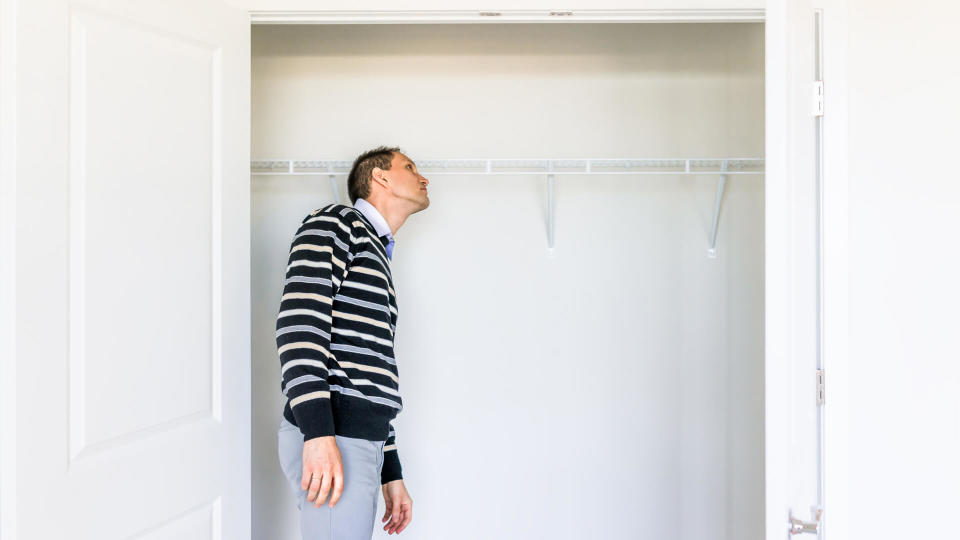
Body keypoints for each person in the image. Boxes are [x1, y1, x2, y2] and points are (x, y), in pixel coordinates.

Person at [276, 145, 429, 538]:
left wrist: (389, 471)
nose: (423, 177)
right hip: (334, 435)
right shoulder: (337, 222)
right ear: (379, 177)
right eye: (410, 168)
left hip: (355, 438)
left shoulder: (376, 252)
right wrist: (318, 432)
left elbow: (370, 371)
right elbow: (299, 323)